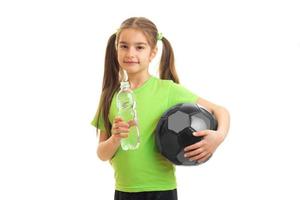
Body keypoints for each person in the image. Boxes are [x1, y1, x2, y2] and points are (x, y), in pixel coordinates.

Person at [91, 17, 230, 200]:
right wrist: (115, 138)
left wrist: (218, 137)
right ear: (116, 48)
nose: (130, 53)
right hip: (124, 190)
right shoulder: (109, 96)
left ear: (152, 52)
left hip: (161, 190)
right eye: (124, 46)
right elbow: (102, 154)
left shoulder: (167, 90)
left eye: (139, 47)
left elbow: (220, 111)